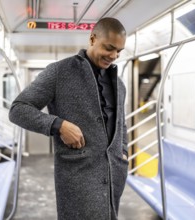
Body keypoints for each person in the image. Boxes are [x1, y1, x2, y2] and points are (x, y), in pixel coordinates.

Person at [9, 17, 128, 220]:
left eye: (119, 51)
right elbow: (18, 109)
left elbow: (120, 123)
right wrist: (58, 125)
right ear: (92, 39)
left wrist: (123, 151)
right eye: (109, 48)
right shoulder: (59, 72)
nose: (114, 55)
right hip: (78, 177)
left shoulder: (119, 84)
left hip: (114, 174)